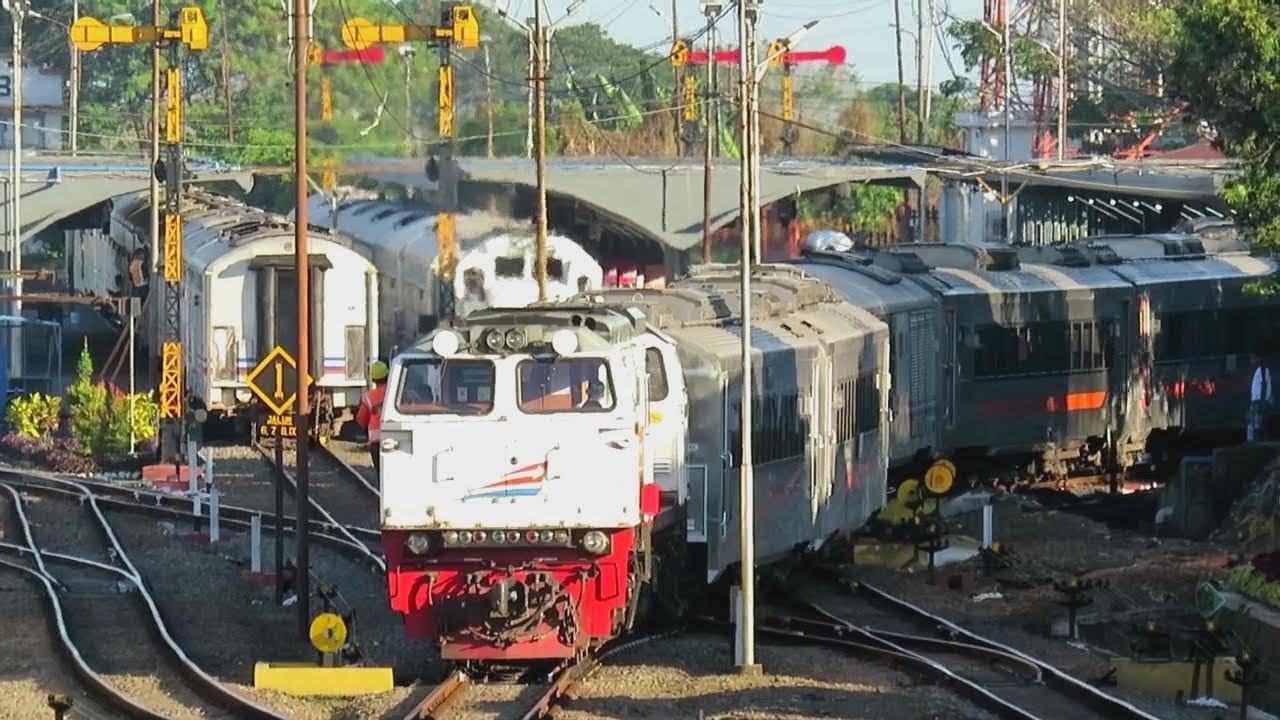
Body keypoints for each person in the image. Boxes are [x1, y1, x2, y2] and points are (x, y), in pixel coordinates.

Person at [356, 360, 389, 472]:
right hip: (395, 438)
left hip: (376, 441)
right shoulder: (394, 392)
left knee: (381, 474)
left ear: (373, 379)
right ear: (388, 375)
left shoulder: (369, 396)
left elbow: (361, 420)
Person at [1249, 353, 1272, 442]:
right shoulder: (1258, 370)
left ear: (1258, 359)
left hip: (1260, 400)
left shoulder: (1263, 369)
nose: (1251, 360)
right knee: (1257, 423)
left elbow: (1264, 385)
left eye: (1253, 358)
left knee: (1260, 423)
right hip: (1257, 400)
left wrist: (1262, 401)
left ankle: (1261, 442)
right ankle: (1258, 441)